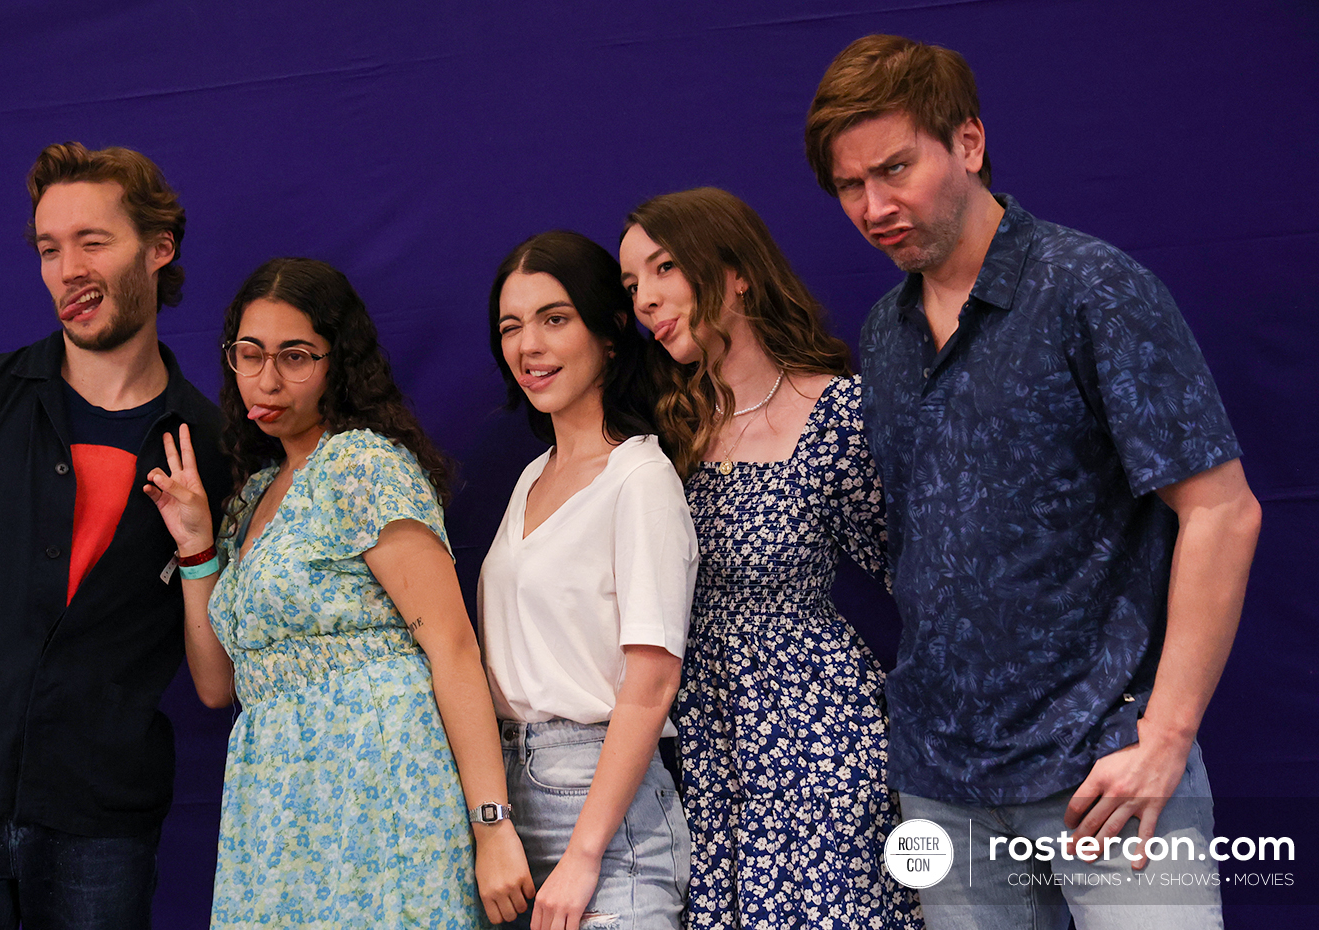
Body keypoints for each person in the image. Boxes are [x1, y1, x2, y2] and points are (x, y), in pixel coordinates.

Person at [804, 34, 1263, 928]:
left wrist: (1164, 738)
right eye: (849, 186)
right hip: (944, 782)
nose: (874, 205)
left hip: (1104, 770)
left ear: (967, 144)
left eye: (895, 169)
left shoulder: (1090, 291)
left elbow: (1223, 512)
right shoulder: (885, 333)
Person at [0, 142, 229, 928]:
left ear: (159, 250)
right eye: (49, 249)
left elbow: (219, 629)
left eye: (93, 242)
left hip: (101, 814)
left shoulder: (209, 442)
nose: (67, 269)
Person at [142, 256, 534, 928]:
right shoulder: (252, 498)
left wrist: (492, 826)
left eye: (296, 356)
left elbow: (453, 647)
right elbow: (215, 684)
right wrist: (199, 547)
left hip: (381, 782)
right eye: (250, 354)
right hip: (277, 802)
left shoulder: (361, 463)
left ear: (337, 363)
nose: (267, 379)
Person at [619, 188, 923, 929]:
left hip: (818, 728)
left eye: (664, 270)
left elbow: (916, 581)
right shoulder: (665, 433)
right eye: (631, 286)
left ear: (735, 274)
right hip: (705, 738)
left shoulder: (840, 412)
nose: (647, 301)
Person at [479, 230, 696, 930]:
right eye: (511, 327)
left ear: (609, 333)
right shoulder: (531, 477)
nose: (528, 345)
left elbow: (653, 683)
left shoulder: (640, 477)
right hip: (514, 800)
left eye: (554, 318)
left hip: (602, 806)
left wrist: (584, 852)